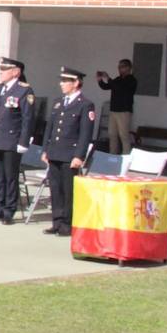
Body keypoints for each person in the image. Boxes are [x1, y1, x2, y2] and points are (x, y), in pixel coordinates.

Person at [0, 57, 36, 226]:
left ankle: (8, 210)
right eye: (1, 70)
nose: (1, 73)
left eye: (4, 70)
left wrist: (23, 141)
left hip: (12, 140)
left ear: (15, 72)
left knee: (10, 177)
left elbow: (28, 119)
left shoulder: (24, 91)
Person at [43, 67, 96, 237]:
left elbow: (85, 134)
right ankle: (56, 221)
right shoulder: (58, 102)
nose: (62, 84)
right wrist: (46, 149)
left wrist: (79, 156)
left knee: (68, 190)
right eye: (62, 81)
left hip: (70, 154)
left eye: (66, 81)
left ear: (76, 83)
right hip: (55, 152)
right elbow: (49, 128)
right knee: (55, 188)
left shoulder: (85, 104)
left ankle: (67, 223)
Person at [96, 60, 137, 154]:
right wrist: (100, 80)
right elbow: (107, 86)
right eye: (119, 67)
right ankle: (113, 154)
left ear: (128, 68)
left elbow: (120, 88)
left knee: (123, 135)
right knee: (112, 134)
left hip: (124, 111)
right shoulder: (118, 79)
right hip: (114, 110)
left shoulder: (131, 80)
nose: (119, 69)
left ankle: (126, 155)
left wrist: (108, 78)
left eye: (122, 66)